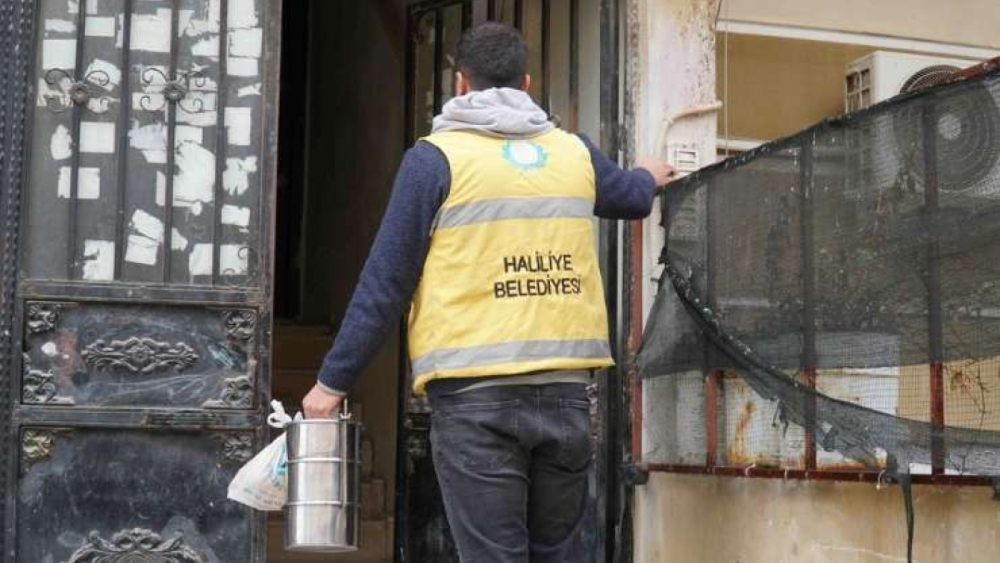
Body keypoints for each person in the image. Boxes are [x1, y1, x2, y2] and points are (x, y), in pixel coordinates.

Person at [302, 22, 675, 563]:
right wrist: (647, 175)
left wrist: (332, 382)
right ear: (526, 81)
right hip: (567, 396)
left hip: (475, 403)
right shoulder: (573, 154)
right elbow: (628, 197)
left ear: (460, 84)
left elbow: (387, 281)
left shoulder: (435, 160)